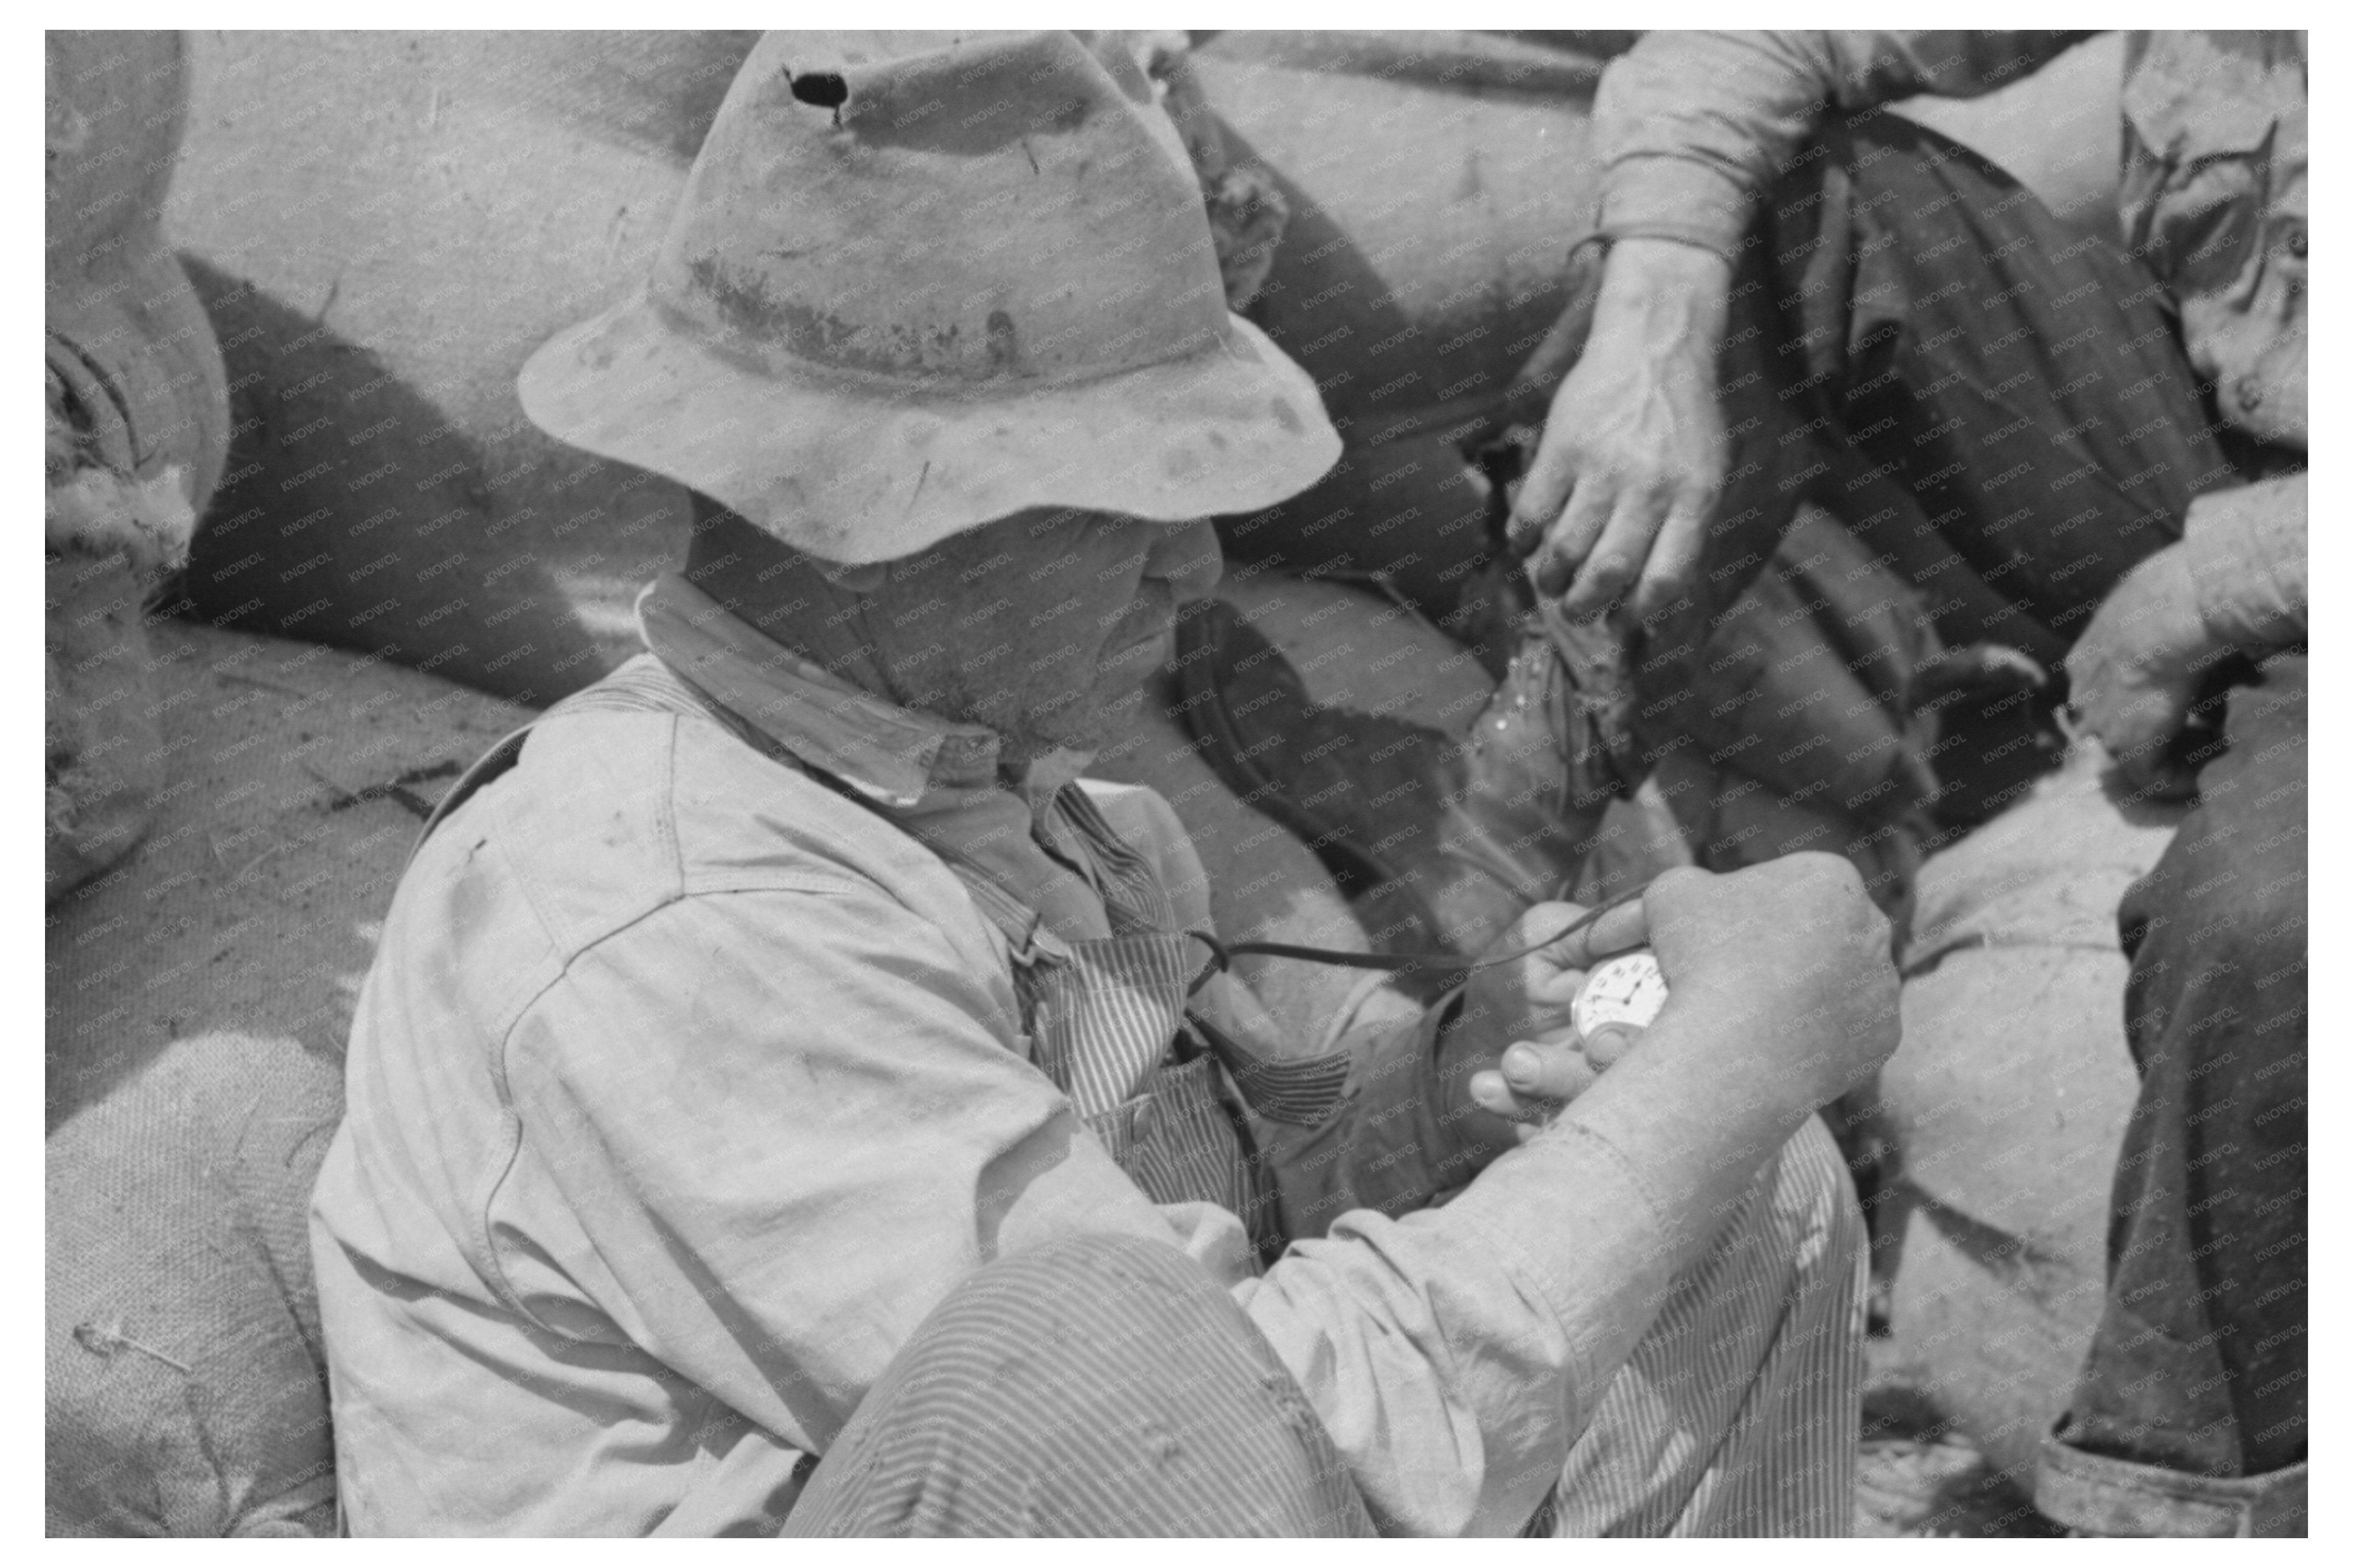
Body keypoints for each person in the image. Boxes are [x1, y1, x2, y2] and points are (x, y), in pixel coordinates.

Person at [309, 32, 1899, 1538]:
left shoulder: (1026, 819)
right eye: (1125, 502)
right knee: (1113, 1324)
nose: (1197, 568)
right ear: (863, 512)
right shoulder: (663, 909)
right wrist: (1739, 1055)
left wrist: (1439, 1093)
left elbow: (1204, 1246)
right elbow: (1182, 1432)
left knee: (1722, 1189)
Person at [1509, 30, 2306, 1536]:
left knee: (2275, 933)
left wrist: (2207, 591)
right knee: (1796, 202)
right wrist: (1656, 325)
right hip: (2213, 443)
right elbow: (1754, 39)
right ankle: (1520, 912)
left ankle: (2179, 1500)